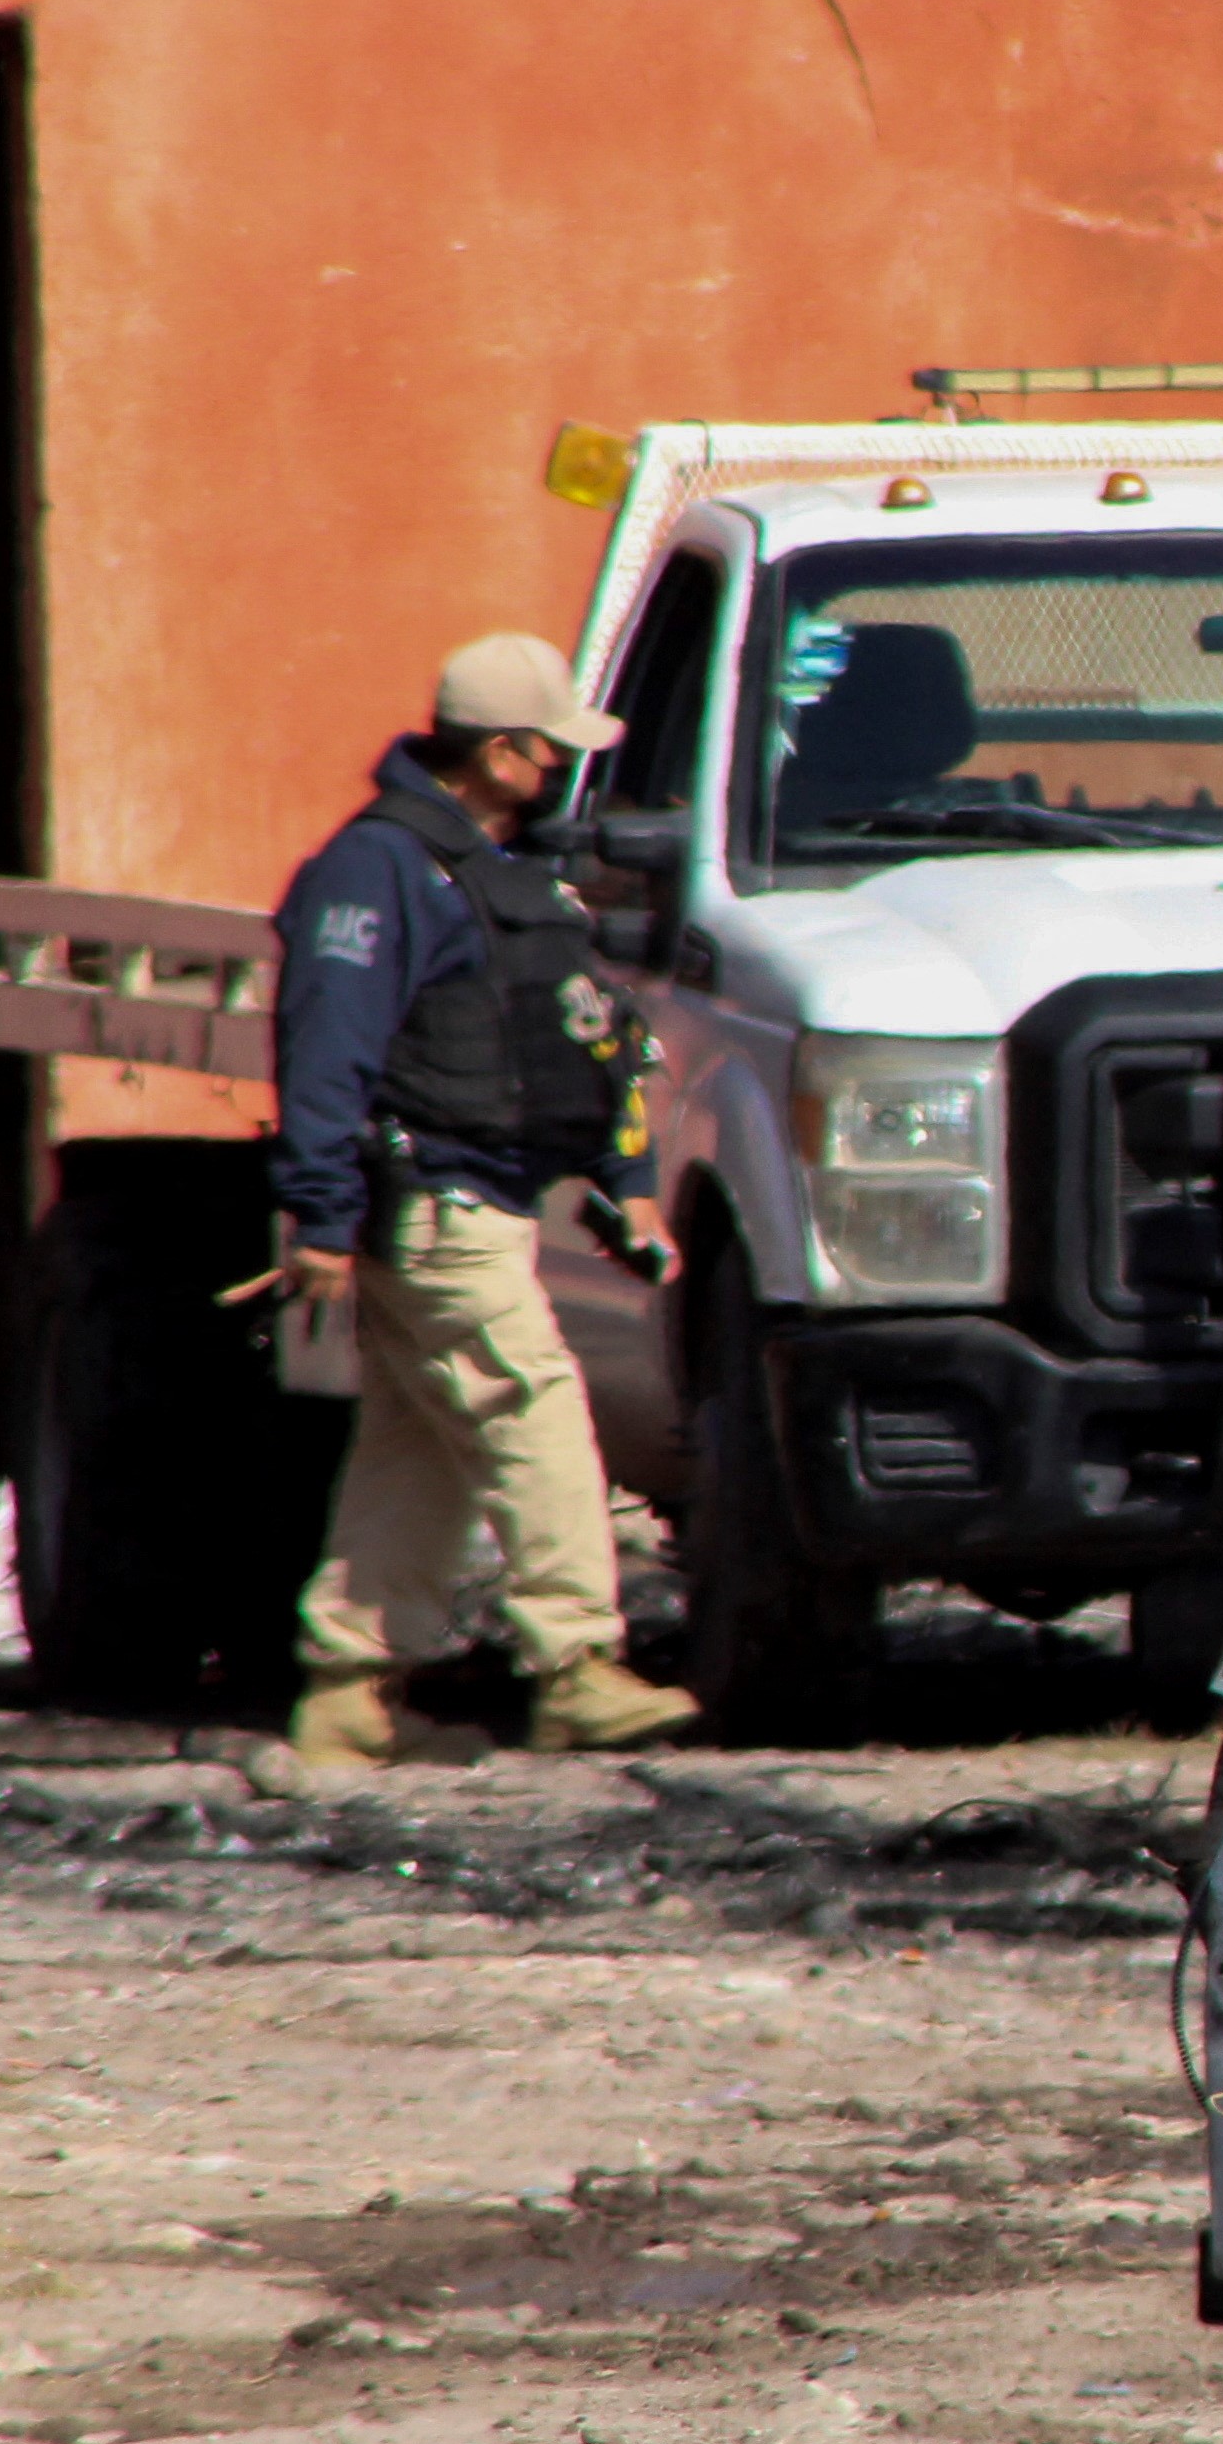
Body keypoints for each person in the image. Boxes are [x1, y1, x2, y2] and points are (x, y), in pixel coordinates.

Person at [266, 636, 704, 1765]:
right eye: (553, 753)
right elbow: (327, 1050)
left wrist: (627, 1184)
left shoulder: (504, 873)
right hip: (435, 1205)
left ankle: (348, 1686)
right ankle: (575, 1663)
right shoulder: (377, 869)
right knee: (530, 1406)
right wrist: (322, 1216)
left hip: (485, 1202)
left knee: (414, 1445)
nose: (564, 774)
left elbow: (581, 1034)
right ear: (502, 753)